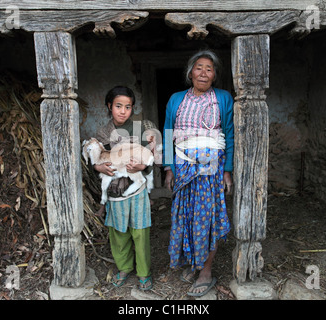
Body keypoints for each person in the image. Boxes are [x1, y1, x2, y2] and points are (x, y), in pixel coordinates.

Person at [162, 50, 234, 297]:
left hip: (210, 166)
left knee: (207, 216)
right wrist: (168, 167)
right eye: (199, 67)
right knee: (186, 215)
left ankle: (206, 271)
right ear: (190, 72)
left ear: (215, 75)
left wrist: (227, 170)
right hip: (182, 164)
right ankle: (193, 261)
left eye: (209, 69)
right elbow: (168, 132)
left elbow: (230, 134)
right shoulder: (176, 99)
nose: (203, 73)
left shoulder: (223, 98)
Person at [93, 86, 158, 291]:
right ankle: (124, 267)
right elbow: (97, 158)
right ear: (109, 106)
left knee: (140, 232)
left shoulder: (142, 129)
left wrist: (143, 166)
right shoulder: (104, 132)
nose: (123, 111)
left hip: (137, 189)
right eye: (118, 106)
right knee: (118, 231)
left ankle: (144, 272)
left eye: (128, 107)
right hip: (115, 190)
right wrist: (98, 166)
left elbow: (152, 157)